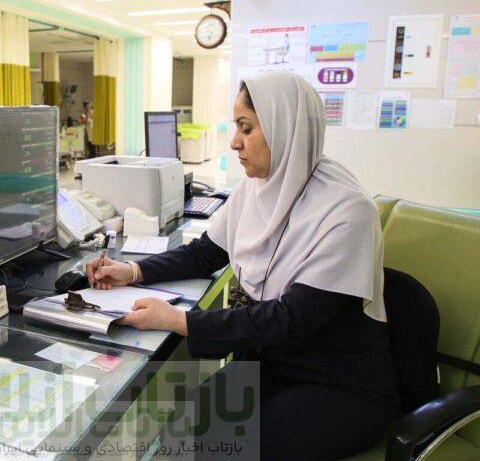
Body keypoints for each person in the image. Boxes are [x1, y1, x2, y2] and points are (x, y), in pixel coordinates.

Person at [85, 73, 399, 460]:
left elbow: (291, 319)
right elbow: (204, 253)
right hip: (272, 360)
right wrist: (133, 272)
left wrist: (179, 320)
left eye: (246, 128)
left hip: (337, 381)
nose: (234, 142)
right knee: (187, 423)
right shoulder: (257, 186)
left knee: (232, 447)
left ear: (286, 129)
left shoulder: (347, 211)